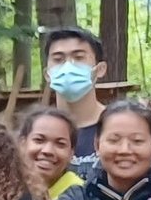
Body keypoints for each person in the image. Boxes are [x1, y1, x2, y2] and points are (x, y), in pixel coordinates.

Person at [43, 25, 108, 168]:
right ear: (47, 74)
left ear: (100, 69)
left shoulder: (117, 125)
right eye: (58, 59)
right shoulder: (38, 133)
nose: (68, 66)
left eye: (78, 57)